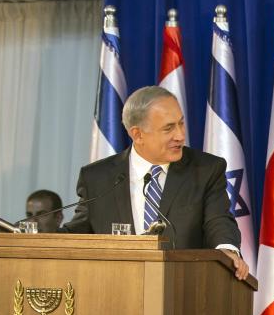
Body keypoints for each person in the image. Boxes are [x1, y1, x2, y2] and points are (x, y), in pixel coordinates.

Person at [61, 86, 248, 280]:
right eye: (169, 128)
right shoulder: (98, 178)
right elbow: (80, 231)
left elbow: (218, 220)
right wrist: (33, 238)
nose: (180, 135)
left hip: (184, 289)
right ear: (138, 134)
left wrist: (226, 250)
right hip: (116, 292)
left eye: (181, 124)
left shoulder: (205, 169)